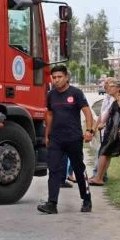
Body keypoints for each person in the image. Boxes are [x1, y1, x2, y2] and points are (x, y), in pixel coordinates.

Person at [38, 65, 95, 214]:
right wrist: (47, 135)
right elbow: (49, 115)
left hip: (73, 138)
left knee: (78, 169)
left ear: (66, 77)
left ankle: (86, 199)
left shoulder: (76, 93)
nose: (56, 80)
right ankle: (52, 203)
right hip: (56, 139)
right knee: (54, 170)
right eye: (54, 77)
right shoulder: (51, 95)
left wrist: (89, 130)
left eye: (59, 77)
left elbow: (87, 112)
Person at [89, 80, 120, 186]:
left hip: (114, 132)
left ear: (118, 88)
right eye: (108, 86)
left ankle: (98, 178)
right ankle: (99, 177)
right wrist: (103, 124)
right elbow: (111, 116)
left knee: (104, 153)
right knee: (106, 153)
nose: (108, 88)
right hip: (110, 130)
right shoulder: (115, 100)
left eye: (111, 86)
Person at [91, 78, 116, 182]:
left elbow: (113, 115)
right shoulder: (107, 97)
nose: (105, 85)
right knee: (104, 153)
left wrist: (105, 124)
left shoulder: (115, 99)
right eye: (104, 83)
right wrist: (94, 127)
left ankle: (97, 175)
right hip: (103, 130)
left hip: (109, 130)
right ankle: (102, 175)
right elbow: (102, 114)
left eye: (108, 83)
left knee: (102, 152)